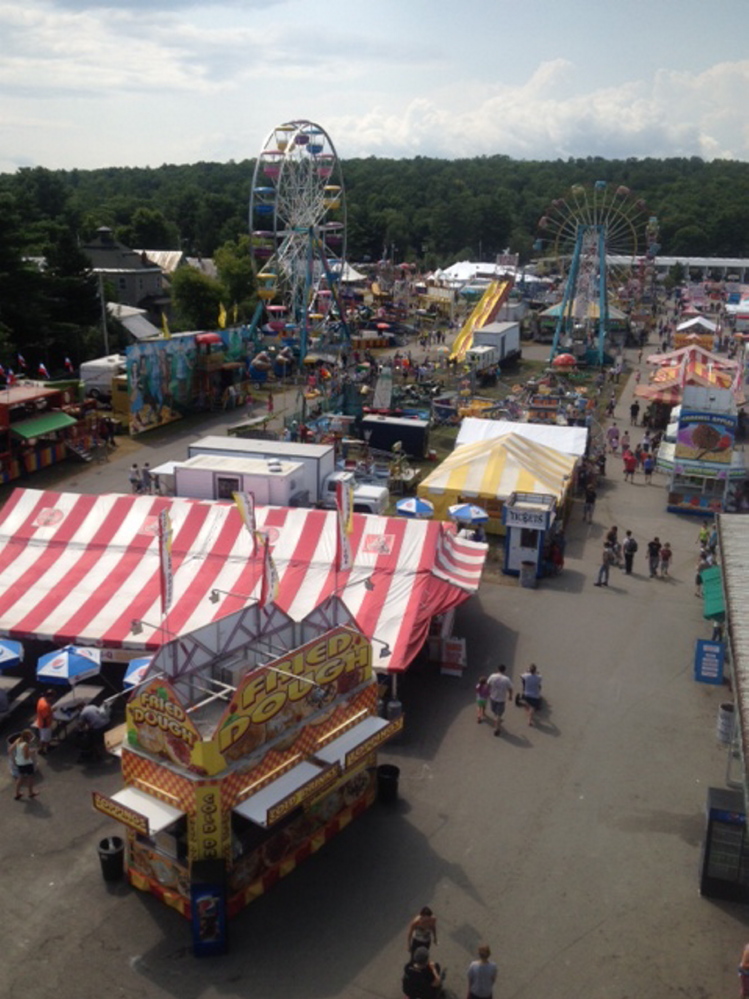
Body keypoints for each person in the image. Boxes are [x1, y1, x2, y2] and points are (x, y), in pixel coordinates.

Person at [486, 665, 513, 737]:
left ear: (497, 669)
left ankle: (497, 722)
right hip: (501, 699)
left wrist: (487, 692)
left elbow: (488, 685)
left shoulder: (492, 676)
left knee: (494, 711)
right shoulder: (506, 679)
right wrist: (510, 696)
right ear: (504, 670)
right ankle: (496, 727)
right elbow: (510, 688)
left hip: (493, 697)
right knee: (499, 714)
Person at [10, 729, 38, 800]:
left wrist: (13, 759)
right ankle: (30, 793)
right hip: (27, 763)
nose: (31, 738)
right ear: (27, 737)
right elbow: (26, 756)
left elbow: (10, 749)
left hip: (19, 762)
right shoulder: (25, 745)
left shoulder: (18, 740)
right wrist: (31, 752)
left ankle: (17, 793)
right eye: (30, 736)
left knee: (20, 778)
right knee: (30, 777)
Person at [35, 688, 55, 755]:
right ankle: (41, 750)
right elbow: (45, 716)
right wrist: (52, 712)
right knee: (43, 739)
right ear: (50, 696)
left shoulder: (41, 699)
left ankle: (48, 746)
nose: (52, 698)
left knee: (47, 737)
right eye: (52, 697)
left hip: (42, 722)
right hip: (45, 725)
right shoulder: (45, 705)